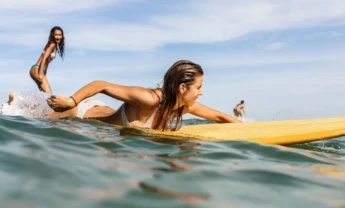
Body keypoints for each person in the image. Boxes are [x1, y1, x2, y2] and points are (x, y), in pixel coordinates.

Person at [47, 60, 241, 130]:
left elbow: (219, 116)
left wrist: (248, 131)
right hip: (81, 113)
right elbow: (102, 85)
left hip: (104, 112)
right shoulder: (149, 99)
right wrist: (71, 101)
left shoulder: (183, 106)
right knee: (37, 115)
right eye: (198, 87)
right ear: (183, 88)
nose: (201, 92)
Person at [4, 92, 114, 119]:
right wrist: (71, 101)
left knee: (44, 109)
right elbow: (101, 85)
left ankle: (17, 100)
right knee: (43, 115)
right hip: (83, 112)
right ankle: (15, 100)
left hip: (94, 106)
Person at [30, 26, 65, 93]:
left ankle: (23, 102)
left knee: (44, 94)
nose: (58, 37)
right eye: (56, 35)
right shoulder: (52, 45)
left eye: (60, 35)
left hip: (39, 70)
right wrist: (40, 74)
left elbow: (47, 62)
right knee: (49, 95)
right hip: (37, 69)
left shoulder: (54, 45)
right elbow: (44, 58)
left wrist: (44, 73)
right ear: (52, 35)